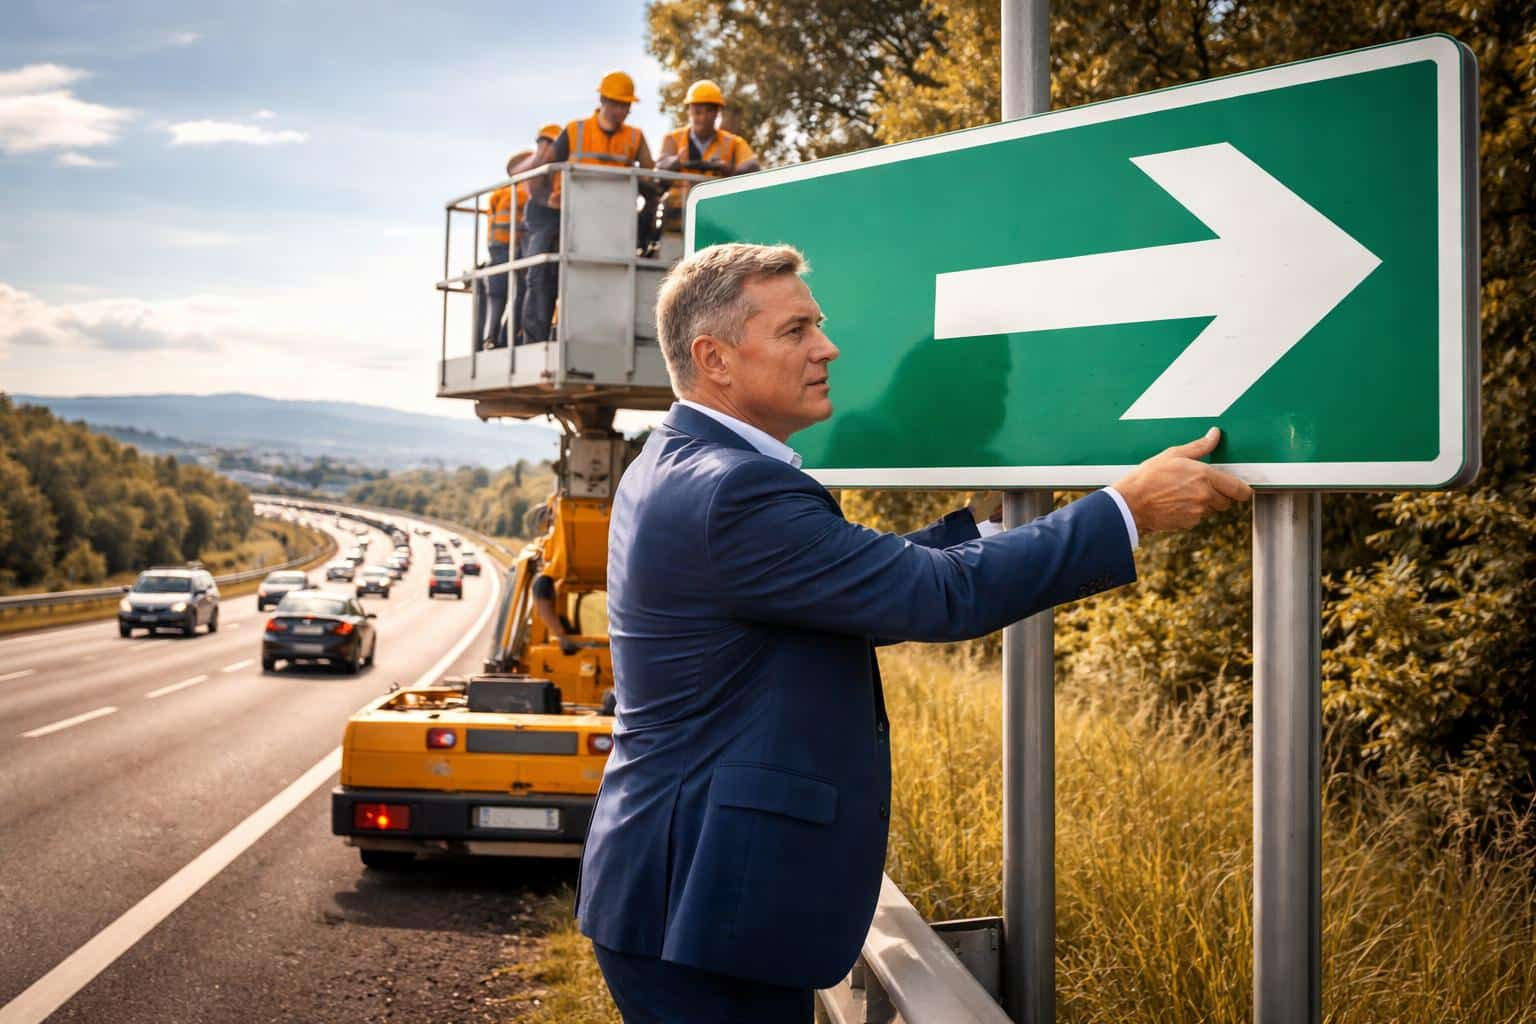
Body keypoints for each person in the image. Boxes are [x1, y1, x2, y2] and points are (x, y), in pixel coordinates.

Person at [575, 242, 1253, 1022]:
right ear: (715, 358)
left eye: (818, 326)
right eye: (796, 331)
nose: (826, 348)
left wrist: (978, 523)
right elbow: (934, 597)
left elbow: (855, 580)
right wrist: (1125, 511)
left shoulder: (681, 462)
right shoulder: (735, 491)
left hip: (689, 894)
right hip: (695, 907)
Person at [521, 71, 655, 344]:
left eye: (626, 105)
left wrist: (645, 221)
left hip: (614, 226)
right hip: (570, 219)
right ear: (603, 100)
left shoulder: (635, 138)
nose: (622, 111)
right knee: (543, 272)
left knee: (611, 280)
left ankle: (607, 338)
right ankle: (537, 340)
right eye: (617, 104)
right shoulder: (574, 131)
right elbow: (543, 174)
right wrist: (548, 199)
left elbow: (651, 183)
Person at [656, 80, 760, 231]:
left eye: (709, 111)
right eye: (698, 111)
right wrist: (677, 161)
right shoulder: (673, 139)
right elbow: (660, 165)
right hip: (677, 210)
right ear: (689, 111)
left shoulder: (733, 142)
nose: (703, 117)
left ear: (717, 113)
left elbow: (752, 165)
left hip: (718, 210)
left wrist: (729, 170)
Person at [479, 149, 532, 349]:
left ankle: (490, 338)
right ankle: (503, 337)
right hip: (511, 249)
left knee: (496, 295)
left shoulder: (498, 194)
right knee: (519, 290)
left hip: (497, 249)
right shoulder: (519, 193)